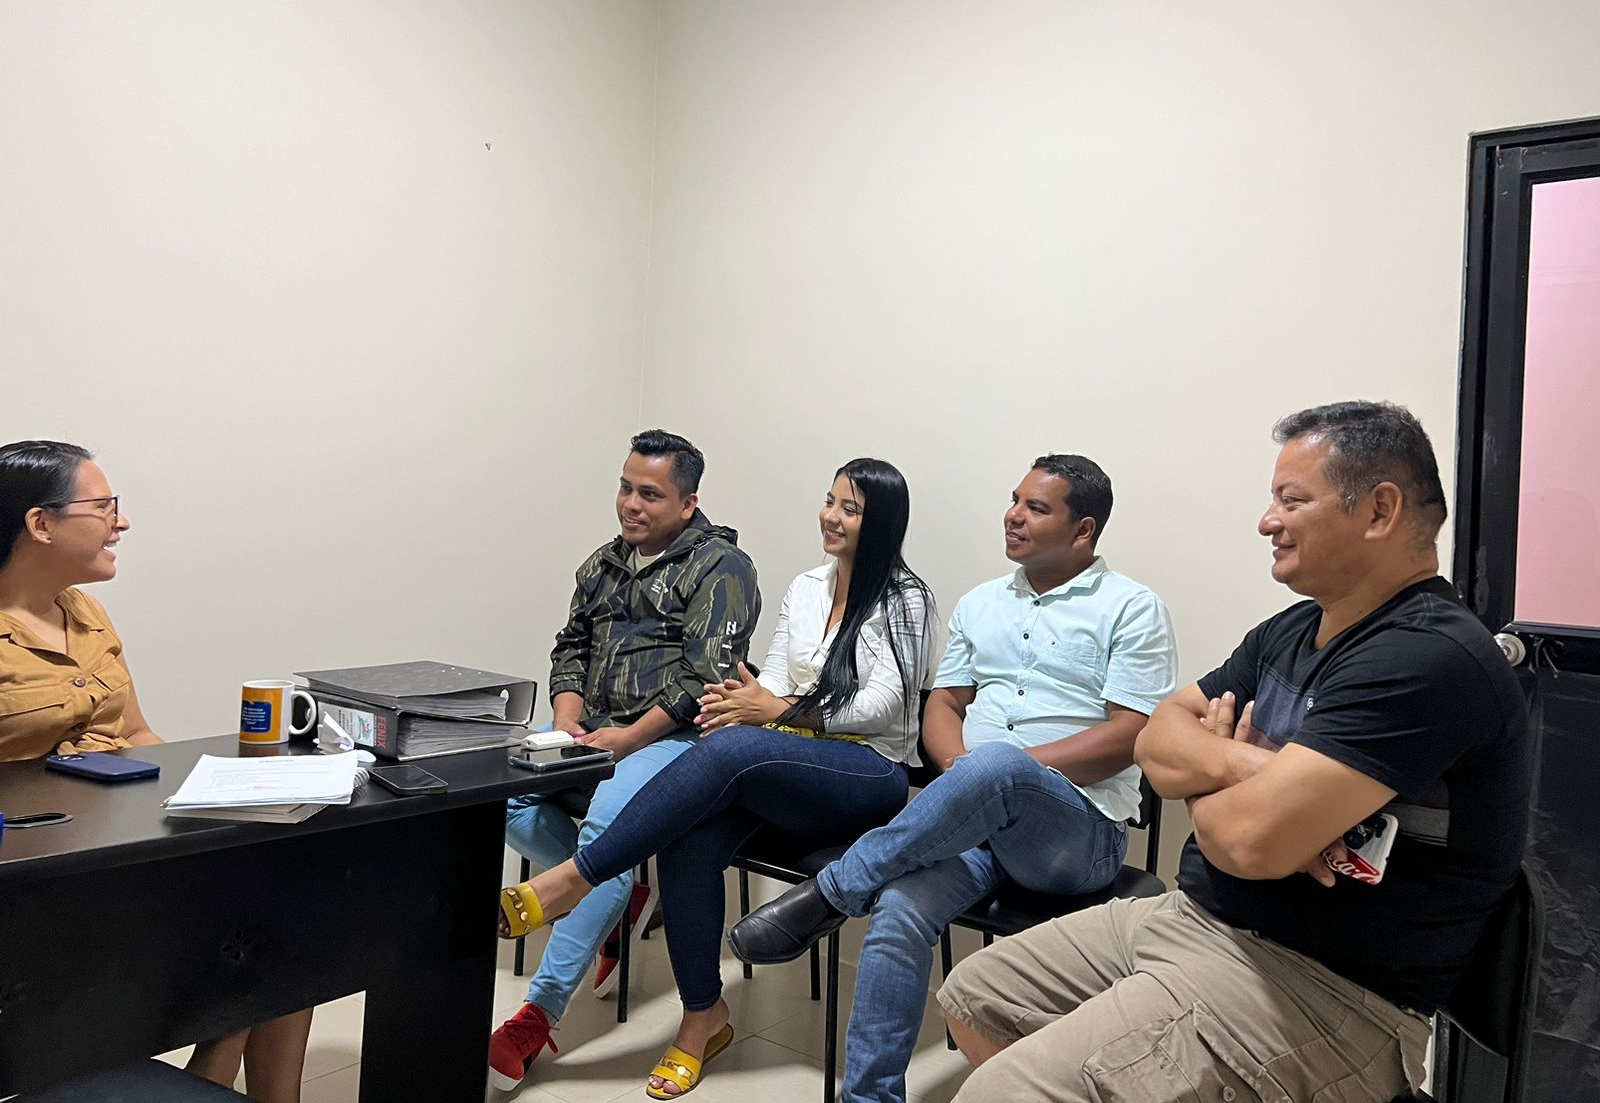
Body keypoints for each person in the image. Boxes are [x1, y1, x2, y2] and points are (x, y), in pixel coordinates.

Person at [937, 402, 1531, 1103]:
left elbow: (1247, 843)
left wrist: (1208, 775)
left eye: (1292, 500)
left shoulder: (1428, 658)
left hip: (1319, 985)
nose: (1266, 521)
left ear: (1379, 510)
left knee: (999, 1093)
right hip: (1194, 918)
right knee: (975, 997)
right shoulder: (1292, 629)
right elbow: (1159, 734)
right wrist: (1249, 768)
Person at [729, 454, 1179, 1103]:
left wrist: (1004, 773)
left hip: (1076, 835)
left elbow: (1131, 733)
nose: (1013, 516)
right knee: (898, 907)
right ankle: (869, 1097)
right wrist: (966, 776)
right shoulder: (981, 602)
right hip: (975, 822)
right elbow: (943, 705)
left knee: (1001, 764)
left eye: (1035, 508)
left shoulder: (1132, 608)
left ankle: (831, 892)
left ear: (1083, 530)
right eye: (1014, 500)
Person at [498, 457, 937, 1098]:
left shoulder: (906, 599)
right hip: (786, 762)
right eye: (829, 501)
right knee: (690, 835)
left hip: (869, 771)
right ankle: (704, 1016)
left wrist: (775, 711)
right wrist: (747, 703)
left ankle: (575, 878)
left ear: (883, 523)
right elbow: (773, 680)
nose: (831, 517)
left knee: (731, 748)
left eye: (850, 509)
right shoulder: (808, 586)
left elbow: (883, 708)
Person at [0, 439, 314, 1102]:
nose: (121, 522)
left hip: (120, 848)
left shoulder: (85, 612)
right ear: (40, 523)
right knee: (244, 958)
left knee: (287, 919)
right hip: (36, 880)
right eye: (104, 506)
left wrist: (216, 792)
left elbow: (137, 733)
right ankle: (215, 1056)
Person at [489, 429, 761, 1093]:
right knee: (501, 793)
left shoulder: (723, 567)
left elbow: (705, 678)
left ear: (688, 503)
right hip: (595, 729)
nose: (631, 505)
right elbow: (571, 647)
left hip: (679, 741)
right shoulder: (603, 563)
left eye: (650, 495)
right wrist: (566, 722)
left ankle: (538, 1014)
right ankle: (613, 889)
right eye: (625, 488)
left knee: (606, 826)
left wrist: (630, 738)